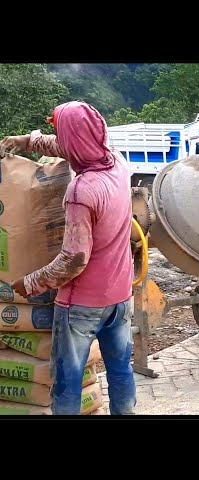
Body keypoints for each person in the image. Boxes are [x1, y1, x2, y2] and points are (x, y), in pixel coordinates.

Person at [0, 101, 136, 415]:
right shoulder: (117, 161)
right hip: (120, 296)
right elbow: (71, 145)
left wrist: (30, 282)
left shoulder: (81, 191)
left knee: (67, 381)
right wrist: (28, 142)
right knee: (120, 370)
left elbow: (74, 259)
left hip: (82, 305)